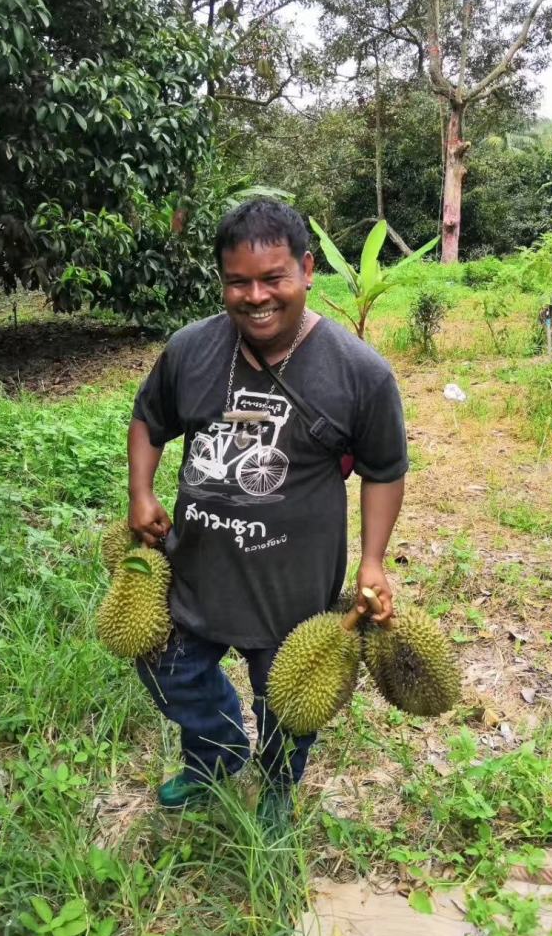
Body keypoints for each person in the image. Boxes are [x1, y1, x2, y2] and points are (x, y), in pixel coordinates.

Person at [128, 199, 408, 821]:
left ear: (307, 270)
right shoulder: (190, 349)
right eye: (238, 281)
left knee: (284, 701)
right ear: (223, 281)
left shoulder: (360, 373)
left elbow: (384, 469)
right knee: (166, 666)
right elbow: (149, 419)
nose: (256, 296)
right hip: (194, 568)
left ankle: (279, 784)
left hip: (290, 586)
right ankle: (216, 754)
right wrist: (141, 492)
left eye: (273, 278)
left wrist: (372, 561)